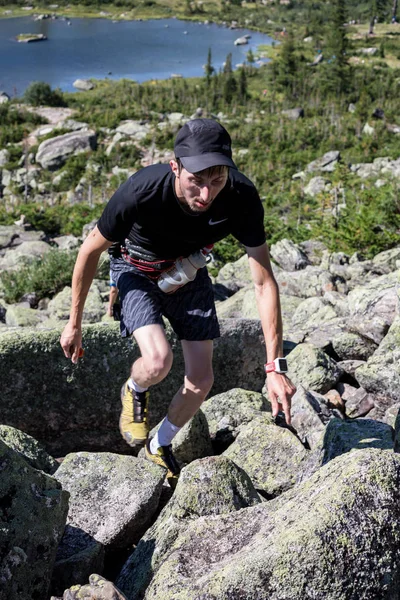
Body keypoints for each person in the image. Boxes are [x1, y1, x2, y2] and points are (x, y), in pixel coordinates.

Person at [60, 118, 296, 486]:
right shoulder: (142, 190)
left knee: (202, 378)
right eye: (195, 181)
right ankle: (134, 390)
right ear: (176, 167)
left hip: (188, 270)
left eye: (216, 180)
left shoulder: (240, 196)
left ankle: (159, 443)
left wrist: (275, 366)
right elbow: (90, 250)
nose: (205, 194)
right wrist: (73, 322)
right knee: (157, 360)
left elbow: (264, 281)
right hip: (134, 268)